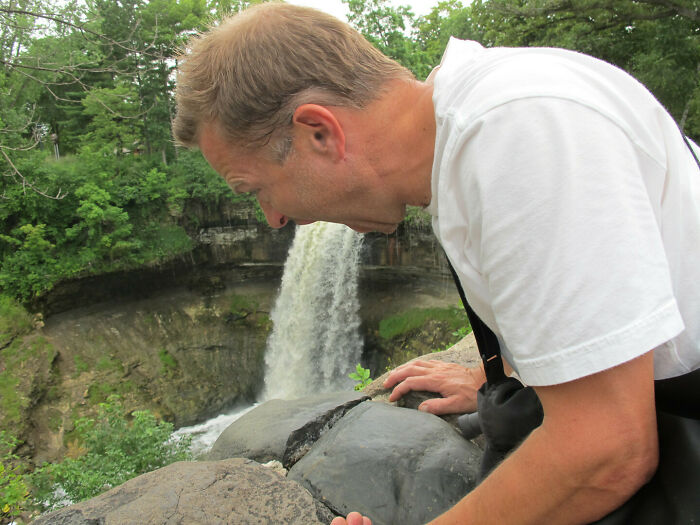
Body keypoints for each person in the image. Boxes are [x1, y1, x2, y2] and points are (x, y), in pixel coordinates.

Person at [173, 3, 700, 524]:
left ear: (319, 132)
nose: (273, 218)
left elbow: (607, 452)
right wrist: (510, 372)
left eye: (256, 188)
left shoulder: (517, 130)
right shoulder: (463, 130)